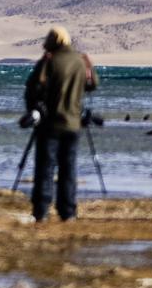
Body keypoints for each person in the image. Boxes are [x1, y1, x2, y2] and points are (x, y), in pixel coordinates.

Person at [21, 27, 97, 222]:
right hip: (73, 124)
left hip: (50, 125)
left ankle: (41, 210)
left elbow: (33, 88)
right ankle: (68, 211)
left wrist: (34, 110)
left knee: (45, 169)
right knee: (68, 169)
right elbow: (92, 84)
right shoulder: (81, 61)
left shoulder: (49, 61)